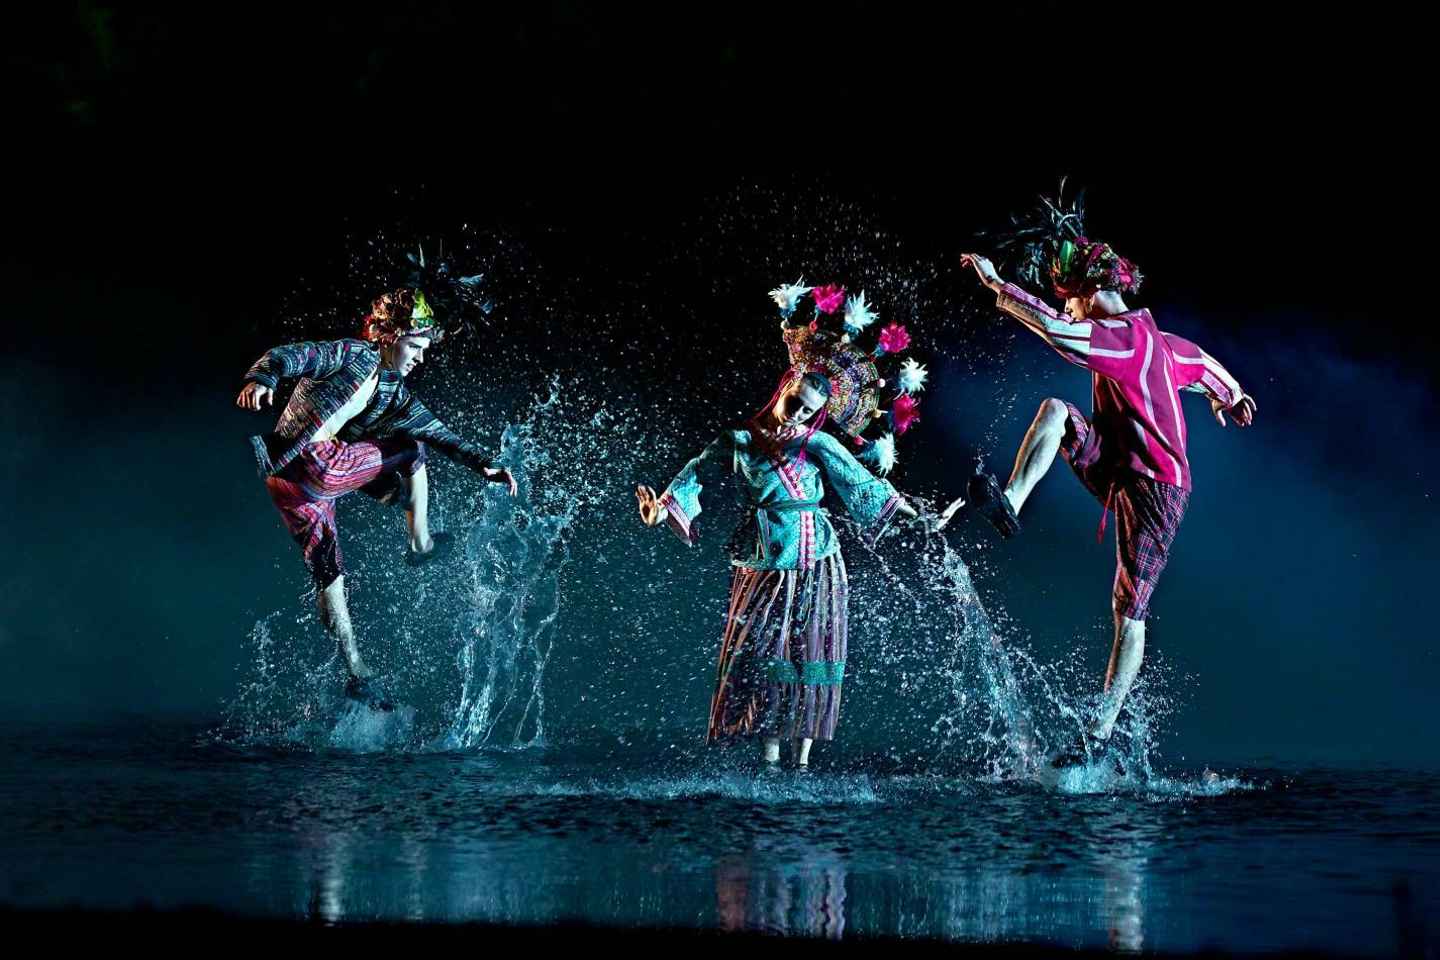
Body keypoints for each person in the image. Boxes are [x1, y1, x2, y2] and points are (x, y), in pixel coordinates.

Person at [960, 205, 1255, 767]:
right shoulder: (1159, 343)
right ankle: (1012, 502)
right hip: (1117, 467)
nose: (1070, 308)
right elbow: (1204, 364)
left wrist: (999, 286)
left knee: (1130, 608)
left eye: (1071, 298)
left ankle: (1099, 731)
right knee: (1056, 412)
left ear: (1091, 293)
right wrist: (1232, 396)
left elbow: (1055, 329)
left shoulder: (1121, 341)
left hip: (1156, 488)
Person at [637, 370, 953, 769]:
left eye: (809, 410)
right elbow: (696, 472)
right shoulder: (741, 441)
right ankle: (769, 756)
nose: (799, 413)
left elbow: (862, 484)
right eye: (795, 402)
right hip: (766, 557)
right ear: (784, 388)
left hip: (818, 557)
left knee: (815, 652)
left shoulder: (817, 442)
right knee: (765, 654)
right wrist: (661, 509)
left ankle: (802, 760)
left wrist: (920, 516)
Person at [237, 287, 516, 708]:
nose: (420, 358)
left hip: (289, 486)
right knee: (411, 447)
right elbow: (289, 355)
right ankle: (420, 542)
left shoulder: (392, 393)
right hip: (313, 466)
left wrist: (483, 464)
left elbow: (440, 431)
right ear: (390, 336)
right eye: (415, 346)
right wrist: (262, 378)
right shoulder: (353, 354)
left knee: (329, 576)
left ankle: (356, 671)